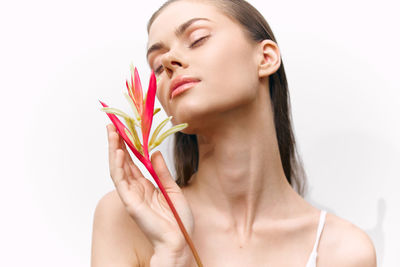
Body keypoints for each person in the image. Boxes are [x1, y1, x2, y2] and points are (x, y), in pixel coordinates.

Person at [91, 0, 377, 266]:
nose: (168, 62)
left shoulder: (344, 251)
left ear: (265, 57)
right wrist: (172, 254)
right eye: (156, 65)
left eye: (197, 39)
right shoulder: (128, 218)